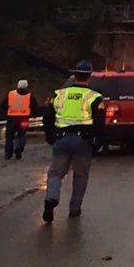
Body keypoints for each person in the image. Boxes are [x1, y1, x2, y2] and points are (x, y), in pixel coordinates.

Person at [42, 60, 105, 222]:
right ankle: (75, 209)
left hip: (61, 139)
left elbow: (47, 117)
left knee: (55, 173)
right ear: (89, 76)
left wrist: (49, 135)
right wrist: (97, 142)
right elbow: (99, 123)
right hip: (82, 141)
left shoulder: (59, 94)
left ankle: (51, 199)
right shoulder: (95, 97)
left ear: (74, 75)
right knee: (80, 176)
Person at [1, 79, 39, 160]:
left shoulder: (11, 94)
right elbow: (35, 107)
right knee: (22, 135)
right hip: (24, 119)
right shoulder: (30, 95)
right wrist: (34, 115)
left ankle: (8, 153)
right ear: (26, 86)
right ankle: (19, 149)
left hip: (12, 118)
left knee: (9, 137)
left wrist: (7, 113)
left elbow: (3, 104)